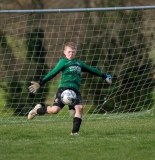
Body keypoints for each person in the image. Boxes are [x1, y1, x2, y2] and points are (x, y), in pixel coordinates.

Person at [28, 42, 112, 135]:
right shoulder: (63, 62)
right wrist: (40, 82)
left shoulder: (78, 63)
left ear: (76, 52)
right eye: (69, 52)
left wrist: (104, 76)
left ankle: (74, 132)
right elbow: (53, 72)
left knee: (79, 108)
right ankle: (37, 110)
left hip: (75, 91)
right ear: (64, 52)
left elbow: (91, 69)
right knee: (54, 110)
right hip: (63, 89)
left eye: (73, 52)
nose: (71, 54)